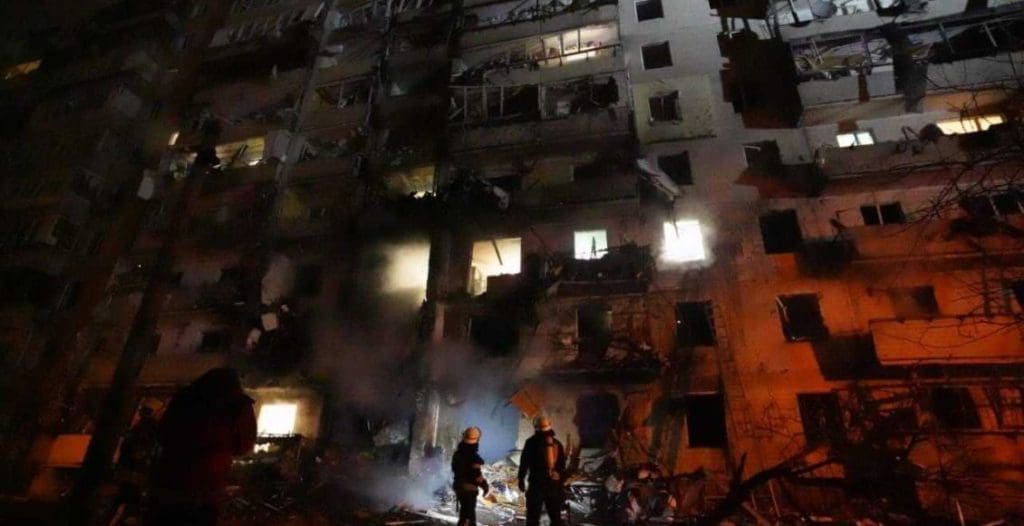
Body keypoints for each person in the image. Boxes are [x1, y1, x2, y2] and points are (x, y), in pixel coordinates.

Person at [149, 368, 257, 526]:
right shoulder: (238, 405)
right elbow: (244, 444)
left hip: (170, 480)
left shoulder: (184, 398)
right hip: (206, 485)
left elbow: (163, 434)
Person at [518, 416, 567, 526]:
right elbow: (562, 466)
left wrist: (521, 479)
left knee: (533, 518)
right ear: (550, 425)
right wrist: (559, 477)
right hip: (553, 485)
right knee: (555, 518)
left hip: (536, 485)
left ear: (535, 427)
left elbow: (524, 463)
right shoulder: (557, 444)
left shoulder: (530, 443)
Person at [451, 426, 489, 526]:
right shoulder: (473, 456)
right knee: (468, 519)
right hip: (469, 490)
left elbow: (455, 469)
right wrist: (484, 485)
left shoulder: (457, 454)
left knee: (465, 515)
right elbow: (476, 475)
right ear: (477, 439)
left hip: (459, 487)